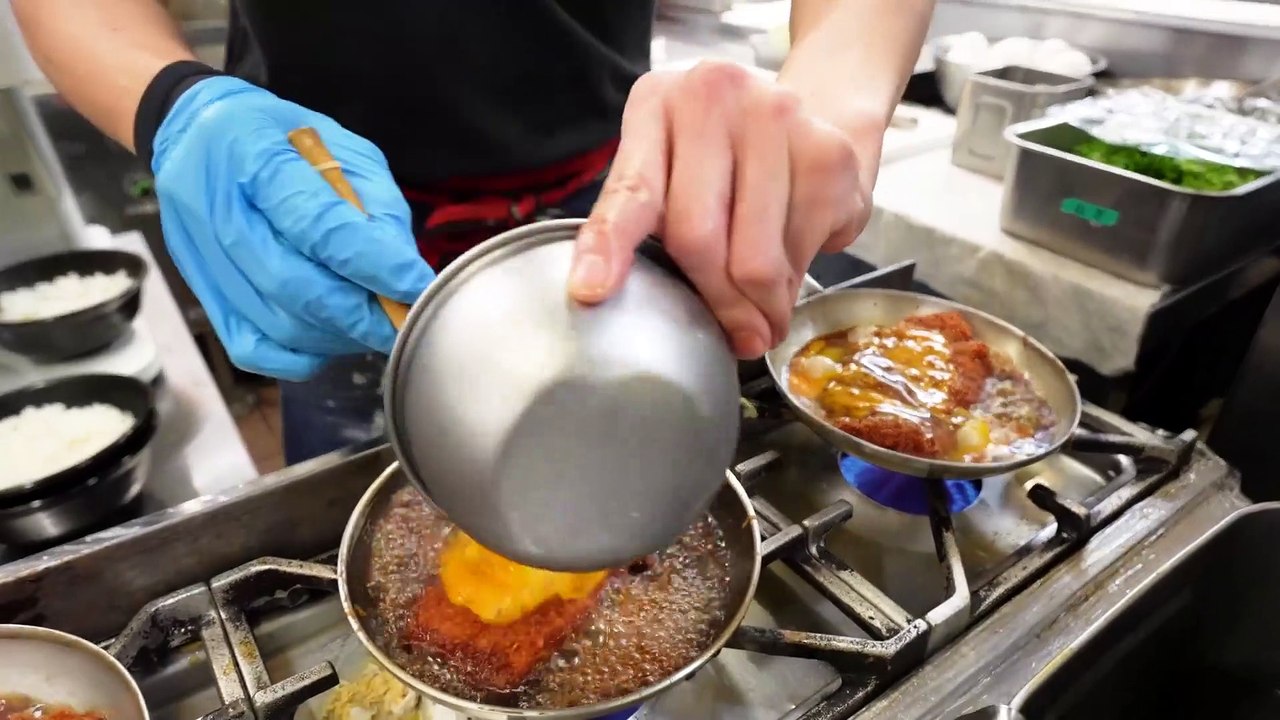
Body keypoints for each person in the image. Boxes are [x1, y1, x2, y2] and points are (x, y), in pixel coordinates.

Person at [13, 0, 935, 464]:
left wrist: (831, 103)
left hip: (613, 210)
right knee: (360, 492)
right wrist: (175, 105)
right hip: (324, 219)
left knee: (639, 462)